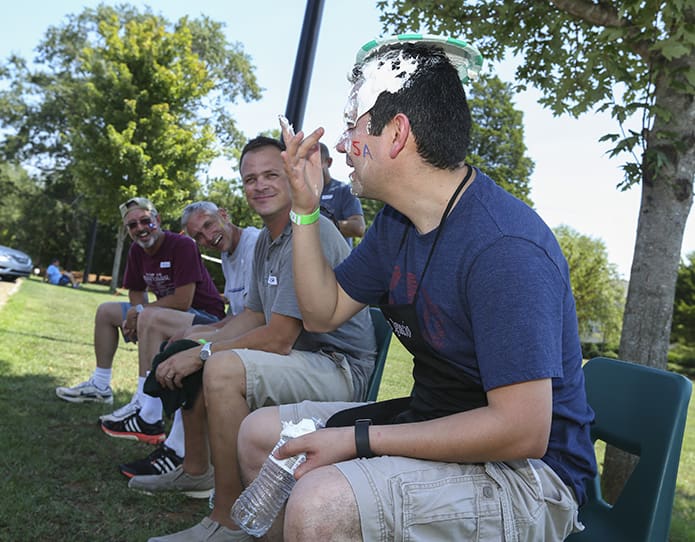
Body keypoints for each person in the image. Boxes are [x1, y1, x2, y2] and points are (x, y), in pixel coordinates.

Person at [236, 34, 598, 541]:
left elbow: (523, 430)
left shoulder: (504, 247)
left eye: (351, 126)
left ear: (396, 133)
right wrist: (305, 207)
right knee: (260, 438)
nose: (340, 146)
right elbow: (320, 313)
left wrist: (360, 441)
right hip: (437, 422)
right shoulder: (397, 224)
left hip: (530, 478)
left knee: (321, 503)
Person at [135, 137, 376, 542]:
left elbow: (280, 337)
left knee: (223, 368)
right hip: (306, 359)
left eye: (270, 175)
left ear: (292, 177)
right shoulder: (267, 238)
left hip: (341, 367)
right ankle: (197, 471)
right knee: (194, 352)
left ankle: (229, 520)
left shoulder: (309, 230)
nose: (259, 185)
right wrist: (195, 346)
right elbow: (251, 315)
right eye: (250, 179)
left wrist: (207, 352)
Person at [55, 197, 226, 446]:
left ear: (157, 220)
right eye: (132, 225)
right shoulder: (136, 250)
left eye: (146, 221)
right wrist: (137, 311)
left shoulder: (182, 245)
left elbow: (182, 300)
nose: (140, 228)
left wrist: (140, 313)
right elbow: (136, 290)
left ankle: (144, 402)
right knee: (106, 311)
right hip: (164, 314)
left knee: (148, 315)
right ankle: (101, 386)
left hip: (206, 317)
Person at [117, 201, 260, 478]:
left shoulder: (255, 245)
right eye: (198, 236)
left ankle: (172, 445)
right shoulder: (229, 254)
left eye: (208, 225)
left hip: (263, 337)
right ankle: (169, 438)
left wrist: (204, 341)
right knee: (183, 340)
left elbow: (261, 317)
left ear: (224, 214)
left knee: (190, 351)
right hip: (243, 327)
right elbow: (238, 314)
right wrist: (194, 333)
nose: (207, 238)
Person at [318, 142, 365, 246]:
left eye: (315, 160)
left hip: (338, 260)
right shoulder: (297, 194)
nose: (309, 166)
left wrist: (317, 225)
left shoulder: (343, 190)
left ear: (328, 162)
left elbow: (358, 228)